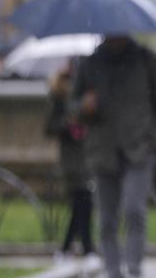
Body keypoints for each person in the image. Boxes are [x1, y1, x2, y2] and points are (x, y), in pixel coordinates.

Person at [72, 35, 156, 278]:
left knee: (133, 209)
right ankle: (112, 270)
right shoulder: (90, 64)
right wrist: (83, 107)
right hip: (103, 149)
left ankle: (134, 269)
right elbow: (72, 106)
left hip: (139, 149)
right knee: (107, 217)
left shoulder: (146, 61)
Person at [44, 60, 95, 262]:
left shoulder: (86, 93)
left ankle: (66, 249)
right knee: (84, 202)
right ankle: (88, 249)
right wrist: (67, 124)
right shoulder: (59, 96)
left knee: (80, 205)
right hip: (72, 159)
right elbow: (49, 127)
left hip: (87, 155)